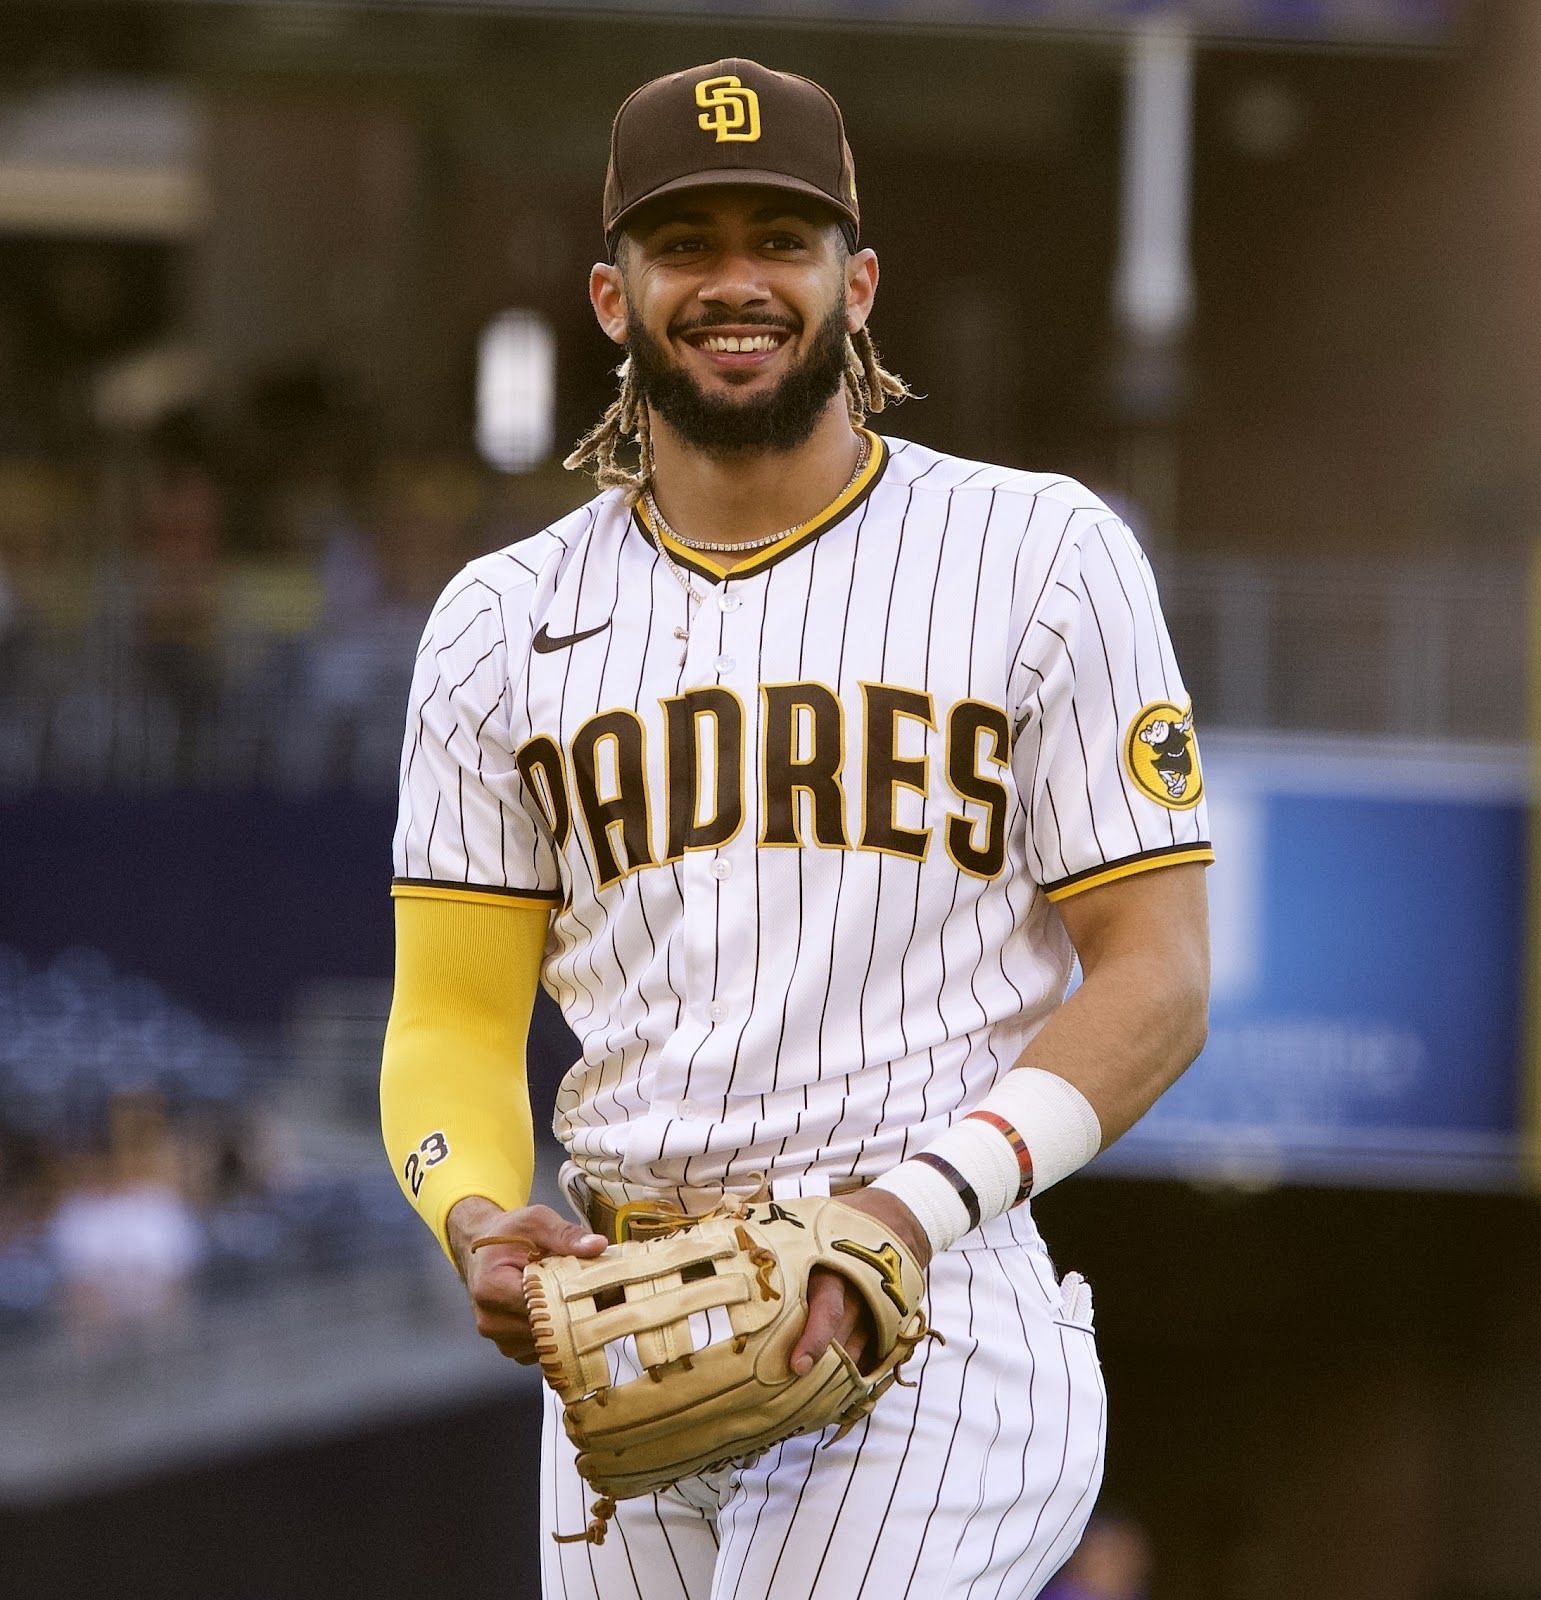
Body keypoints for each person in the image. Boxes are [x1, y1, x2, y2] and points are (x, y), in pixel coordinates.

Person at [381, 57, 1211, 1600]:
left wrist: (912, 1206)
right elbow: (448, 1019)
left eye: (784, 238)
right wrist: (477, 1214)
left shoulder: (1041, 555)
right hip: (626, 1332)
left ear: (860, 280)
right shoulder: (499, 622)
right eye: (688, 245)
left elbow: (1155, 978)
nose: (738, 282)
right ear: (615, 298)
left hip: (931, 1300)